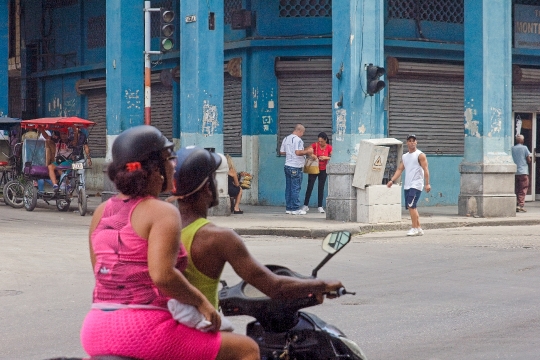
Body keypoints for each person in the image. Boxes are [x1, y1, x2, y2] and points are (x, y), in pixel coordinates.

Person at [81, 126, 248, 360]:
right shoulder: (163, 212)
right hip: (143, 331)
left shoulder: (101, 212)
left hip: (96, 327)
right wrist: (203, 304)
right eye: (170, 158)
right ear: (155, 168)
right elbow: (162, 275)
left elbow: (103, 273)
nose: (173, 165)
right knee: (246, 350)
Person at [167, 146, 344, 359]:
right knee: (248, 350)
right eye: (213, 179)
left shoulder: (163, 229)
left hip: (166, 327)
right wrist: (322, 285)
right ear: (207, 187)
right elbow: (274, 286)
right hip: (194, 334)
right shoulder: (218, 237)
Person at [387, 134, 431, 236]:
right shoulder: (405, 156)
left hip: (416, 184)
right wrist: (392, 180)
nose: (412, 142)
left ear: (416, 142)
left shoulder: (420, 155)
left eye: (413, 140)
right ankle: (419, 228)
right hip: (407, 185)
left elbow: (426, 169)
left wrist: (427, 184)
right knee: (412, 206)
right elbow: (400, 169)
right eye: (410, 141)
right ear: (407, 143)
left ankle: (414, 228)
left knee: (411, 206)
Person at [280, 124, 313, 215]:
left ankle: (289, 208)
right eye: (302, 133)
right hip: (295, 167)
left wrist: (290, 153)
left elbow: (282, 151)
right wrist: (308, 151)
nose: (302, 135)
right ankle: (295, 208)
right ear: (300, 131)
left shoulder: (286, 138)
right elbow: (298, 152)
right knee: (295, 188)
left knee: (289, 188)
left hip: (287, 165)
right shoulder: (298, 140)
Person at [38, 127, 77, 191]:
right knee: (50, 167)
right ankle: (55, 185)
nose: (63, 135)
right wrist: (41, 129)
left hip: (68, 161)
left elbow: (75, 142)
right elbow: (47, 137)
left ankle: (67, 183)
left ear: (68, 134)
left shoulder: (70, 142)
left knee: (60, 167)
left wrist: (75, 131)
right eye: (62, 134)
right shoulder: (57, 140)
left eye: (64, 134)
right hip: (59, 160)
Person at [301, 132, 332, 214]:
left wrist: (326, 157)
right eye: (319, 141)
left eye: (322, 141)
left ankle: (320, 206)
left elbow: (333, 156)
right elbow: (307, 150)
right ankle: (305, 205)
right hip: (314, 168)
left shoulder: (329, 147)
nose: (320, 143)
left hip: (323, 169)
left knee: (321, 187)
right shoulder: (315, 145)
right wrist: (312, 154)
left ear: (325, 140)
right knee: (310, 186)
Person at [512, 134, 532, 212]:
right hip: (523, 171)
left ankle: (516, 203)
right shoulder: (524, 148)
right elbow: (528, 159)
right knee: (523, 188)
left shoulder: (512, 148)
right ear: (523, 141)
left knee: (516, 188)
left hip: (515, 172)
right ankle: (521, 205)